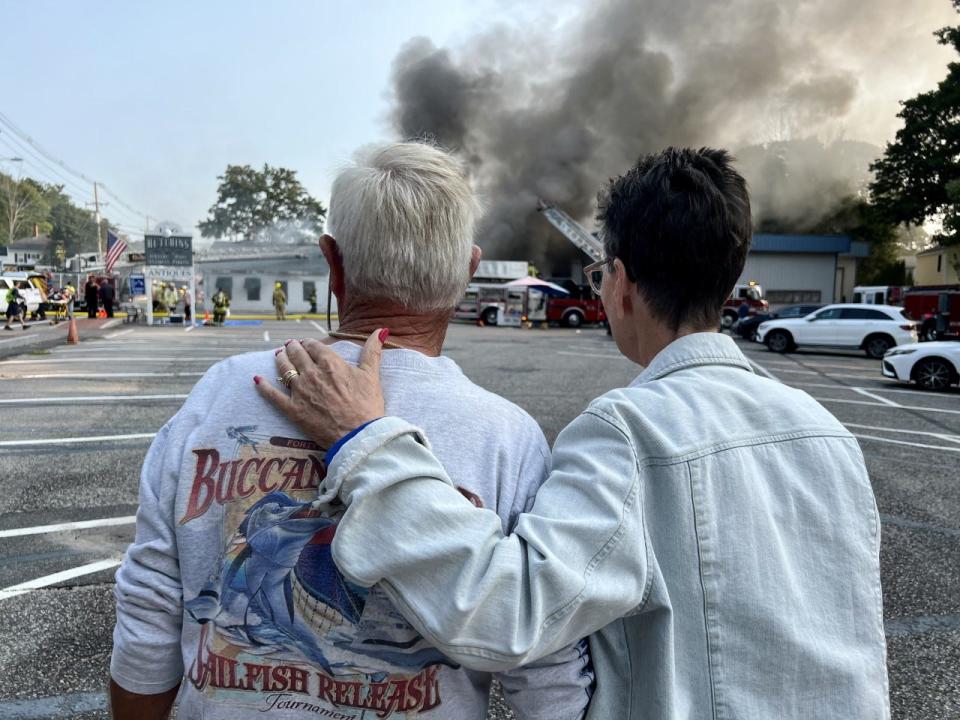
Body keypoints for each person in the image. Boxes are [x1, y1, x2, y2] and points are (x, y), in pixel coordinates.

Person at [259, 148, 889, 719]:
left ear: (618, 282)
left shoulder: (629, 432)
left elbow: (506, 614)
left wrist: (366, 439)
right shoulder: (829, 433)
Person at [110, 141, 593, 720]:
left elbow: (150, 611)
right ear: (467, 271)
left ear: (332, 263)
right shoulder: (507, 439)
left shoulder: (219, 394)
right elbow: (548, 676)